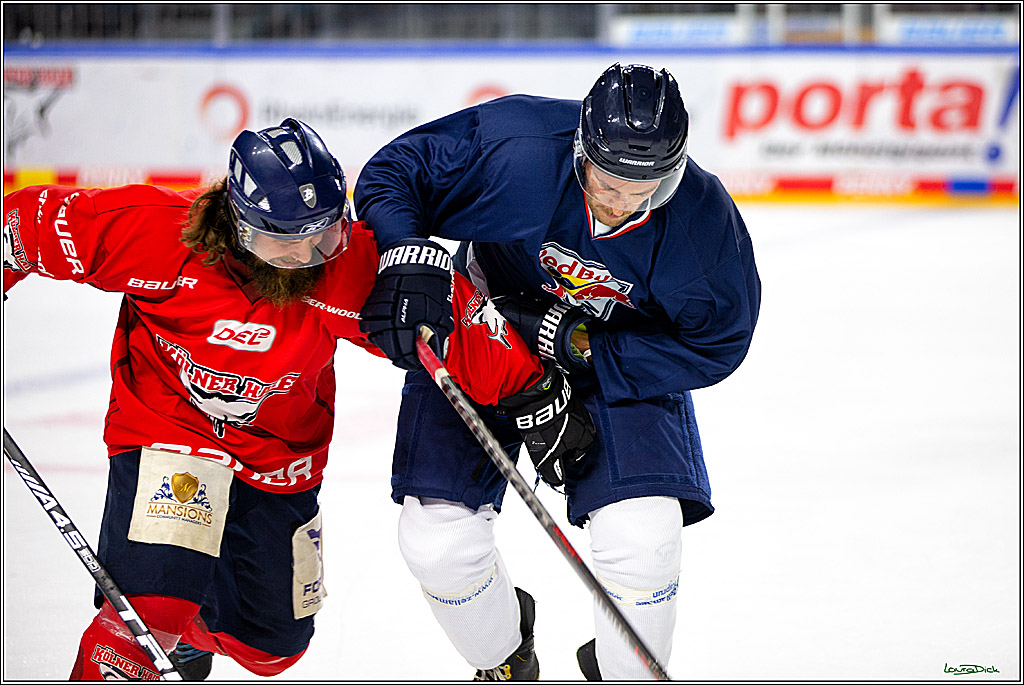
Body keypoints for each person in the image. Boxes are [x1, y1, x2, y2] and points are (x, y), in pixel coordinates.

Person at [2, 118, 594, 680]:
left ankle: (180, 612)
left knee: (272, 647)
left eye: (325, 236)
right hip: (172, 431)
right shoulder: (153, 235)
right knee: (144, 626)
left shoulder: (346, 269)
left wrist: (529, 389)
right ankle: (160, 608)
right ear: (237, 224)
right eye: (282, 244)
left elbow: (460, 322)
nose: (306, 260)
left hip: (278, 459)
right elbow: (21, 229)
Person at [353, 63, 761, 680]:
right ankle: (501, 657)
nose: (621, 201)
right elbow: (393, 173)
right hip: (486, 322)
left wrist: (591, 352)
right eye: (609, 178)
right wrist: (407, 256)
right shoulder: (517, 146)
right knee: (437, 542)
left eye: (646, 185)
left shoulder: (702, 226)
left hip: (613, 355)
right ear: (580, 145)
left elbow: (719, 341)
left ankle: (625, 671)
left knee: (642, 540)